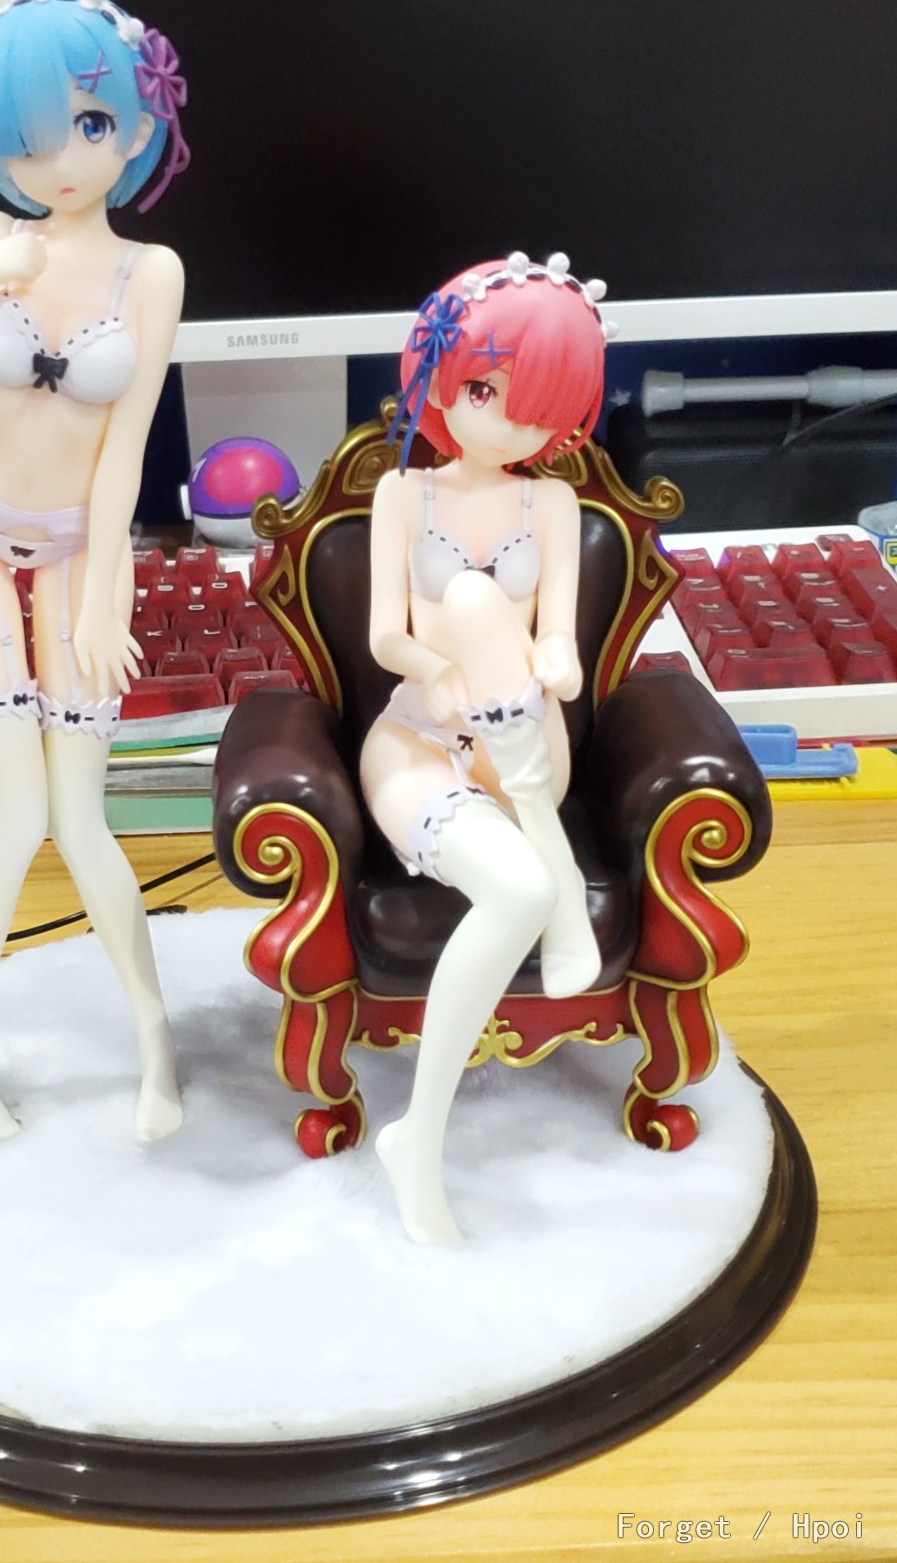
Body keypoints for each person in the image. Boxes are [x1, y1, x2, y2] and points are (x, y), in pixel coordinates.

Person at [0, 0, 190, 1144]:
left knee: (85, 817)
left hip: (82, 539)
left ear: (134, 123)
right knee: (15, 811)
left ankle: (155, 1044)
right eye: (25, 139)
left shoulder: (151, 272)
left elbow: (125, 451)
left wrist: (106, 595)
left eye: (86, 124)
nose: (60, 161)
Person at [360, 252, 615, 1242]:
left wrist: (552, 663)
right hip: (422, 740)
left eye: (538, 410)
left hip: (521, 739)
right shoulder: (404, 494)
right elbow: (386, 636)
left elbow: (561, 642)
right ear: (441, 378)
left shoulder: (550, 504)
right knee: (520, 891)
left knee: (478, 602)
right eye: (484, 392)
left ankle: (547, 848)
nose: (508, 425)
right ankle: (417, 1141)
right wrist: (436, 673)